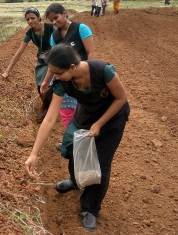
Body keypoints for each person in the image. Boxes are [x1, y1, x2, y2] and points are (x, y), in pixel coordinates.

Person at [25, 43, 130, 232]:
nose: (55, 77)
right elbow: (49, 119)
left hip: (112, 120)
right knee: (72, 148)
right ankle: (75, 180)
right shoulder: (64, 82)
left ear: (72, 67)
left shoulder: (103, 71)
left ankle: (91, 209)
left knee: (101, 165)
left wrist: (99, 124)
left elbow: (121, 97)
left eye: (58, 73)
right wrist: (34, 153)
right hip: (86, 116)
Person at [41, 3, 96, 132]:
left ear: (64, 13)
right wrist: (46, 80)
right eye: (51, 20)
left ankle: (85, 138)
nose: (54, 22)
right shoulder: (54, 37)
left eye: (56, 17)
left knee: (83, 110)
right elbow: (53, 62)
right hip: (65, 78)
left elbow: (91, 52)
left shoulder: (81, 29)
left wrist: (92, 74)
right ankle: (70, 139)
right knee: (66, 112)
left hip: (82, 77)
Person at [2, 7, 54, 122]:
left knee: (49, 85)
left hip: (54, 58)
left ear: (39, 18)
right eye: (28, 19)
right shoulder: (30, 33)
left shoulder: (50, 28)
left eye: (33, 18)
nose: (30, 21)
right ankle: (48, 105)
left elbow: (61, 41)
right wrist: (7, 71)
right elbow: (19, 52)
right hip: (42, 60)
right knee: (39, 86)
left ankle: (47, 110)